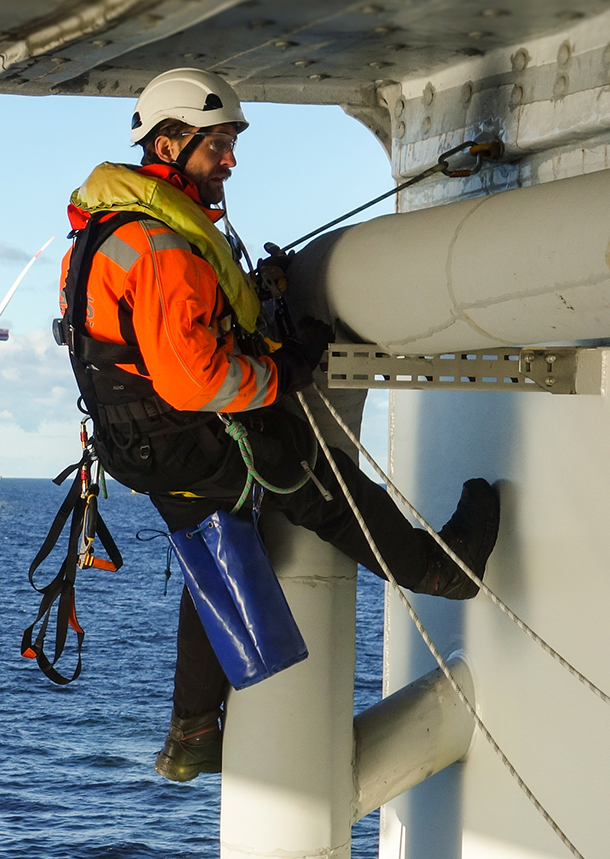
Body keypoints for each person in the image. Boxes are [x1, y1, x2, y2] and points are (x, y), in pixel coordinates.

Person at [56, 68, 500, 783]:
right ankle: (440, 571)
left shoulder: (109, 230)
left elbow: (162, 341)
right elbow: (197, 378)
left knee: (217, 556)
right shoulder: (163, 245)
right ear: (168, 143)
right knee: (320, 483)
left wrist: (260, 321)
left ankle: (193, 731)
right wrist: (285, 371)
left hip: (136, 441)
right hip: (186, 435)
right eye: (216, 145)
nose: (230, 159)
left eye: (231, 143)